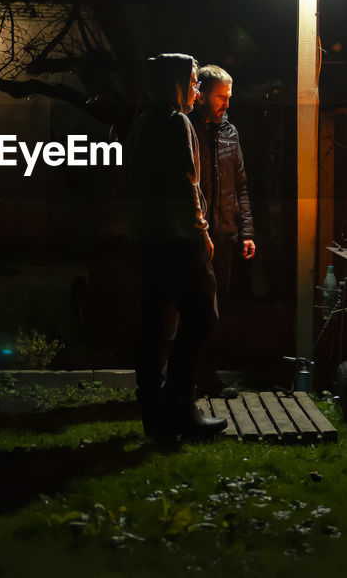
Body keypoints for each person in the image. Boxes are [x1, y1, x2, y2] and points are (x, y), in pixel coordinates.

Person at [126, 53, 228, 441]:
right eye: (192, 82)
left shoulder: (141, 122)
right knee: (203, 314)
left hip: (148, 239)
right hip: (178, 239)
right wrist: (201, 230)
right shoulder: (176, 121)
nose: (196, 89)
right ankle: (180, 407)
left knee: (155, 325)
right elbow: (188, 183)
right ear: (176, 83)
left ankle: (155, 415)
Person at [190, 64, 256, 399]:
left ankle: (209, 377)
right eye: (220, 97)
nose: (226, 104)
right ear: (200, 94)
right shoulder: (187, 129)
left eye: (229, 97)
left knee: (218, 310)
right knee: (195, 309)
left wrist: (247, 231)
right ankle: (186, 378)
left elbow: (240, 186)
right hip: (195, 237)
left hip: (226, 236)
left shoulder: (231, 133)